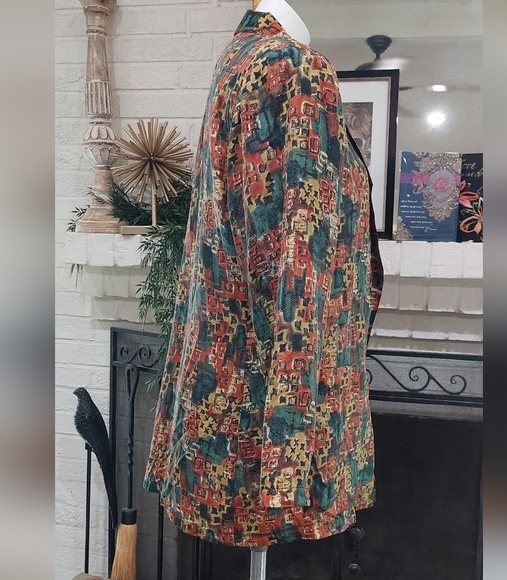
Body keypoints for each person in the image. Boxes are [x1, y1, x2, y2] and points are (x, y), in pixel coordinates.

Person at [144, 3, 383, 547]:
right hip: (267, 425)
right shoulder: (293, 68)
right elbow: (298, 266)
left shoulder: (234, 64)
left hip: (217, 400)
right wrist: (289, 464)